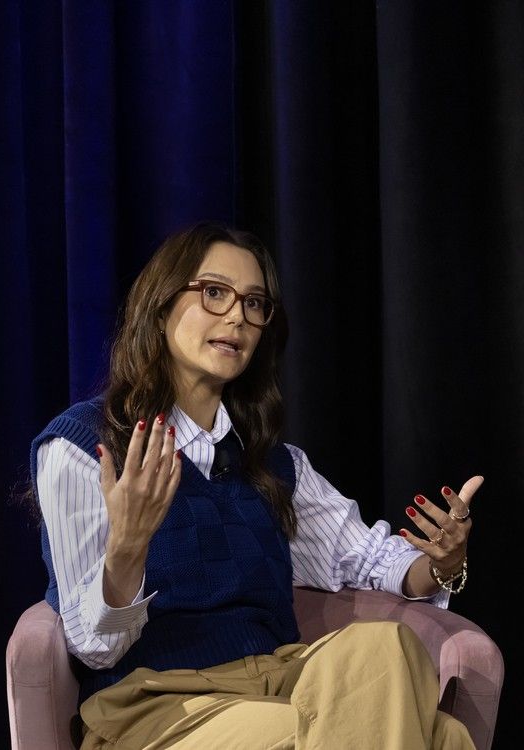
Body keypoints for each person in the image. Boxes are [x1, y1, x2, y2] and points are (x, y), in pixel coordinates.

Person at [29, 221, 480, 749]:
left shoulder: (274, 463)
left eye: (254, 303)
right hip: (156, 708)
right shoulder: (85, 447)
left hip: (280, 682)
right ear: (159, 305)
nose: (237, 317)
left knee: (387, 645)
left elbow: (368, 559)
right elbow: (92, 647)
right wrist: (128, 545)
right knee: (437, 738)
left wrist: (442, 563)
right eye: (214, 293)